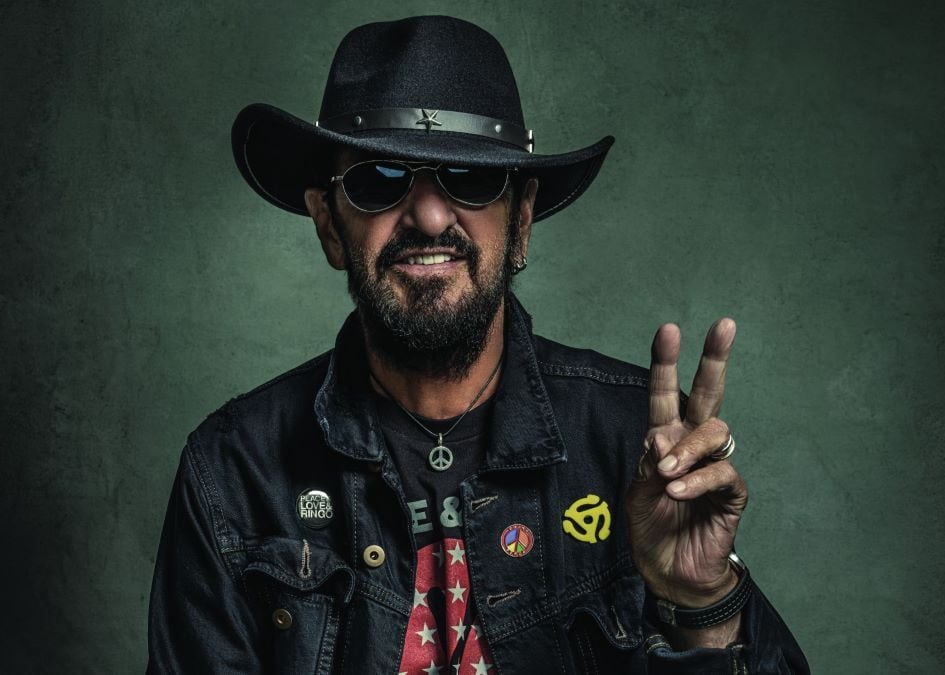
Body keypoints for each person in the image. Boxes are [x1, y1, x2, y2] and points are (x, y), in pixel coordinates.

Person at [148, 15, 808, 674]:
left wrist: (702, 602)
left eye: (470, 176)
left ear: (521, 220)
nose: (430, 216)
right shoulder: (235, 472)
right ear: (328, 225)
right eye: (380, 179)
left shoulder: (642, 448)